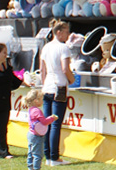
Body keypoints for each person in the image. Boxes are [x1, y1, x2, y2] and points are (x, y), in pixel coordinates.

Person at [40, 19, 75, 166]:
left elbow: (42, 69)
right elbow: (65, 69)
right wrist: (72, 80)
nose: (68, 35)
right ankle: (54, 157)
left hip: (47, 86)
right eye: (66, 32)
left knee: (48, 123)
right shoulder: (63, 48)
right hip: (59, 87)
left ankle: (48, 155)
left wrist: (43, 84)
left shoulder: (46, 47)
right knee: (55, 124)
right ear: (59, 32)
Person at [26, 89, 58, 170]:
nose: (43, 101)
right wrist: (52, 118)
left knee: (30, 153)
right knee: (38, 154)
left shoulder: (31, 109)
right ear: (36, 101)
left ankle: (30, 167)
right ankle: (36, 168)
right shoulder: (37, 111)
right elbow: (44, 122)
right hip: (37, 136)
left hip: (31, 134)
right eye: (41, 99)